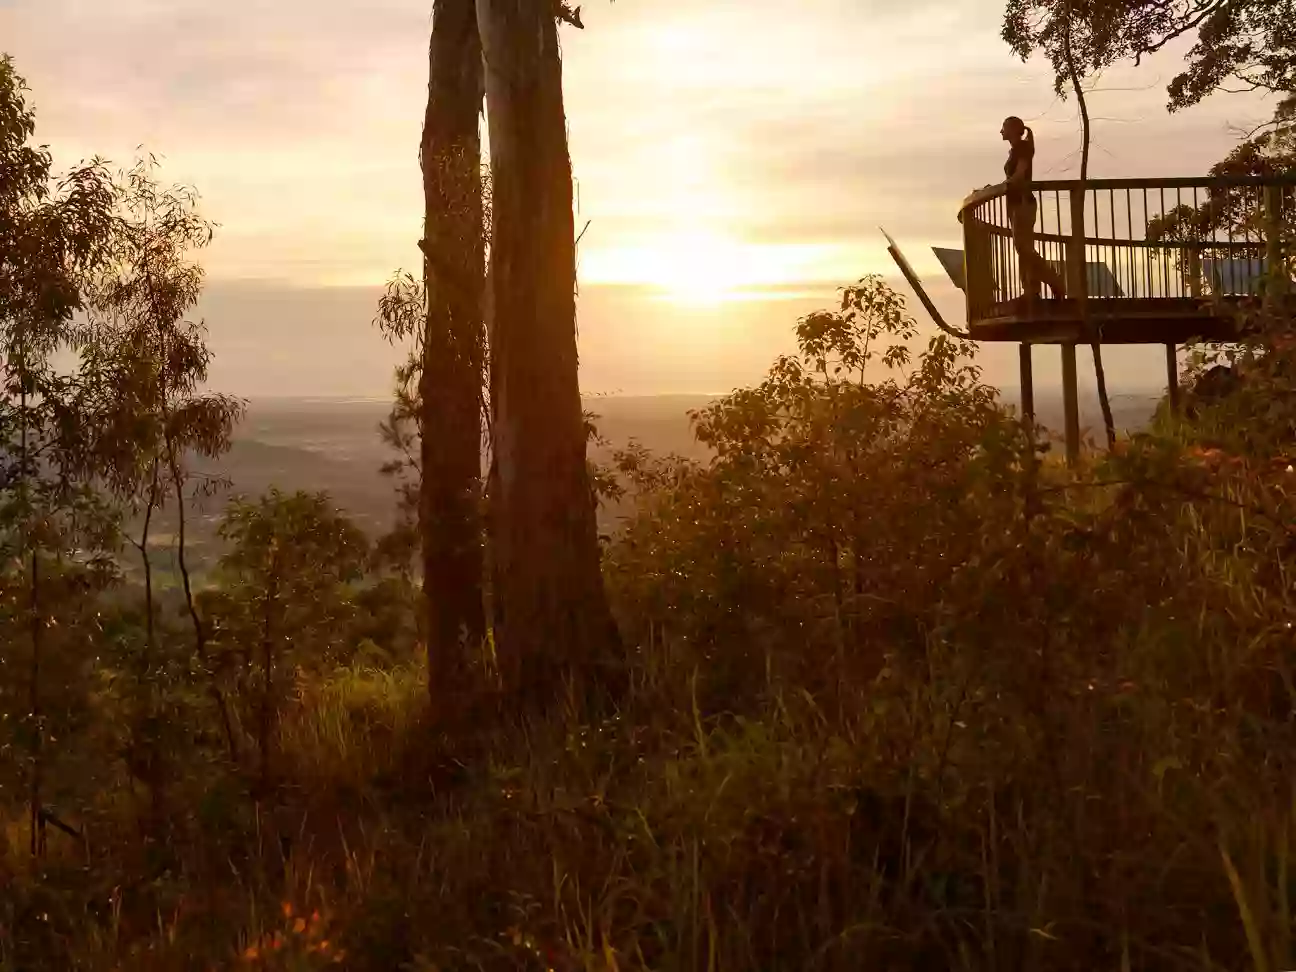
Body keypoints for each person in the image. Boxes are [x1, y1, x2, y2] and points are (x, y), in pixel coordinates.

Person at [1001, 116, 1067, 302]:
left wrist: (1002, 185)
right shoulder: (1016, 150)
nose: (1001, 131)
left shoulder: (1023, 148)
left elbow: (1020, 174)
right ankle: (1032, 289)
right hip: (1016, 203)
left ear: (1013, 129)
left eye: (1004, 127)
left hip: (1023, 202)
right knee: (1023, 249)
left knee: (1024, 248)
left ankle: (1053, 280)